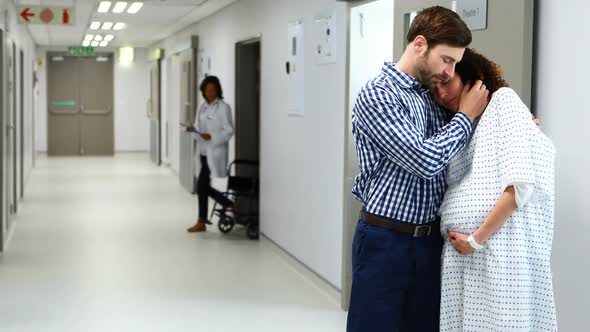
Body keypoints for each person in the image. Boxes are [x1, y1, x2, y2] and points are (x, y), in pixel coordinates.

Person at [347, 6, 490, 332]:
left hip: (429, 244)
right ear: (420, 44)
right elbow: (425, 160)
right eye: (447, 60)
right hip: (385, 241)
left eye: (455, 63)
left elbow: (462, 147)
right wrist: (466, 117)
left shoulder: (433, 96)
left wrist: (514, 124)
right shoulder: (378, 95)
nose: (450, 72)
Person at [431, 48, 558, 331]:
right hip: (465, 260)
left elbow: (520, 185)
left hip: (496, 254)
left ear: (474, 80)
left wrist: (476, 239)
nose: (440, 94)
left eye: (446, 82)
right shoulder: (462, 124)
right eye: (434, 88)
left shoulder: (504, 102)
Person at [187, 76, 235, 233]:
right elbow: (197, 124)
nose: (210, 93)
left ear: (218, 90)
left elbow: (229, 130)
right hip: (202, 151)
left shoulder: (223, 107)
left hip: (214, 152)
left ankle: (202, 220)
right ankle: (228, 204)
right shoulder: (202, 107)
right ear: (203, 91)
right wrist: (194, 130)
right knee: (203, 186)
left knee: (202, 186)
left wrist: (212, 137)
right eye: (207, 90)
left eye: (213, 90)